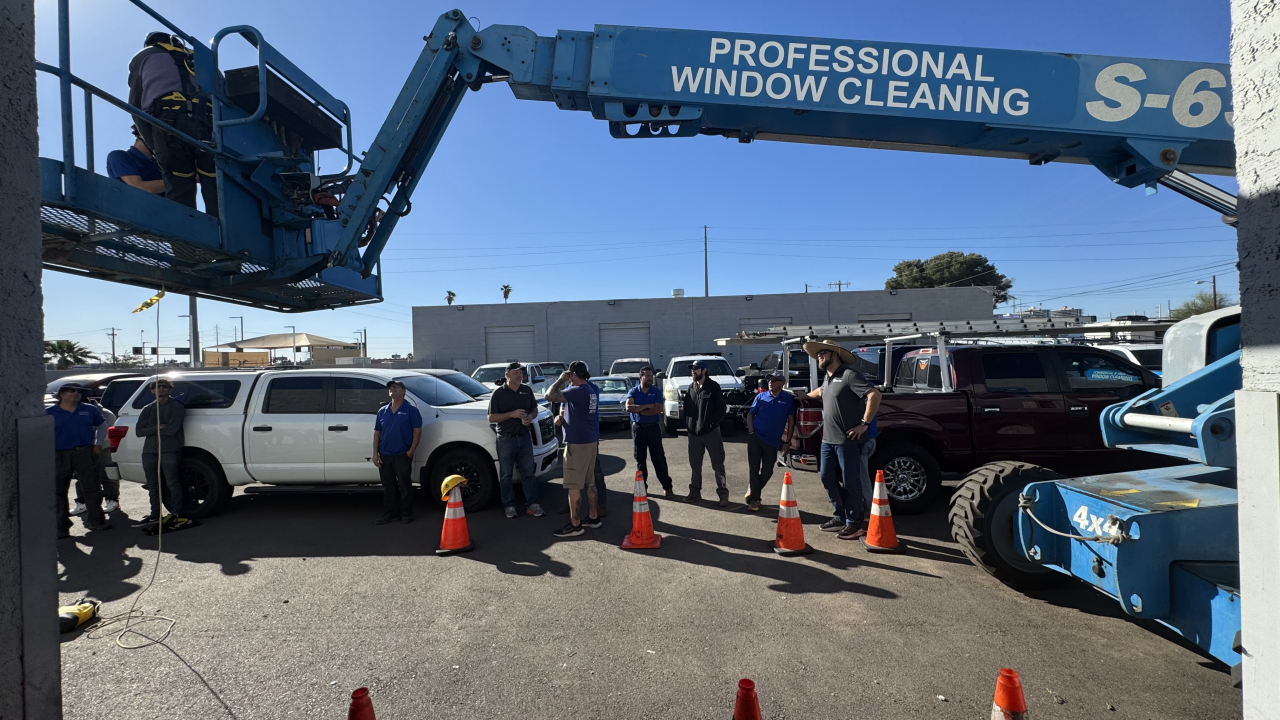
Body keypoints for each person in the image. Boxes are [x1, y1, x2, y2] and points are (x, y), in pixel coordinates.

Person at [794, 340, 882, 540]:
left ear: (835, 354)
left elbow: (874, 395)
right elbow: (821, 392)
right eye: (818, 354)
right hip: (828, 441)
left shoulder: (850, 375)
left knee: (852, 483)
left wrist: (864, 424)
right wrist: (803, 395)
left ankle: (855, 523)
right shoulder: (828, 378)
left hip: (848, 441)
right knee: (826, 477)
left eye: (822, 352)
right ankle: (840, 517)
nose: (819, 356)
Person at [127, 32, 218, 216]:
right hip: (209, 124)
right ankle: (228, 241)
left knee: (179, 190)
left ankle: (186, 244)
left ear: (151, 43)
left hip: (169, 124)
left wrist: (155, 148)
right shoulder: (200, 58)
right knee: (216, 187)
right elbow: (223, 94)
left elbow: (136, 108)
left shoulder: (143, 55)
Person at [545, 361, 602, 537]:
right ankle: (593, 517)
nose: (569, 378)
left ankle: (575, 524)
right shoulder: (589, 390)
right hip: (590, 440)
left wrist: (561, 380)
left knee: (573, 485)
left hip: (577, 443)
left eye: (570, 375)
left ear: (574, 375)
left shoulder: (577, 390)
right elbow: (570, 408)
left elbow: (549, 395)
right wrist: (561, 417)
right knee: (589, 482)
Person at [47, 384, 111, 537]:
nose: (76, 394)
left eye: (78, 392)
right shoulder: (49, 412)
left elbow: (102, 425)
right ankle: (61, 527)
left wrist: (98, 443)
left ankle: (96, 521)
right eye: (71, 391)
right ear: (61, 394)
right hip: (60, 454)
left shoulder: (89, 409)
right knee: (58, 490)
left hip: (85, 452)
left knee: (92, 487)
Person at [488, 362, 544, 518]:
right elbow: (491, 417)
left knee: (528, 472)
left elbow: (534, 409)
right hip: (506, 439)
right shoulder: (498, 393)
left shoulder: (526, 390)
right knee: (506, 474)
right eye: (516, 372)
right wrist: (511, 414)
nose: (519, 375)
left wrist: (530, 418)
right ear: (507, 374)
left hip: (524, 437)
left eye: (521, 372)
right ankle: (509, 506)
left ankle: (533, 504)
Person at [134, 377, 187, 526]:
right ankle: (155, 514)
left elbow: (171, 430)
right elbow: (138, 431)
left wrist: (151, 429)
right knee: (153, 485)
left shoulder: (176, 406)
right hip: (149, 451)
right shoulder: (148, 408)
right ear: (152, 391)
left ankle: (176, 513)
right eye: (157, 387)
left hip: (169, 450)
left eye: (164, 387)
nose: (161, 389)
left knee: (172, 483)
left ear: (170, 390)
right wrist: (158, 427)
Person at [744, 371, 797, 512]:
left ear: (782, 383)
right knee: (753, 469)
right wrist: (751, 433)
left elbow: (791, 422)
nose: (770, 382)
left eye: (774, 380)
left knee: (767, 471)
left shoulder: (788, 399)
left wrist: (787, 443)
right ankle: (755, 500)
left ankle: (753, 490)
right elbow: (750, 415)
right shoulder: (761, 397)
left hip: (772, 442)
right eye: (769, 380)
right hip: (756, 438)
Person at [372, 379, 422, 524]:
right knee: (389, 487)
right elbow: (377, 433)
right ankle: (391, 513)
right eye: (391, 388)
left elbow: (417, 431)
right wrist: (375, 454)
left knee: (405, 486)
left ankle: (406, 513)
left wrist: (411, 451)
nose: (392, 389)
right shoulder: (383, 411)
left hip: (402, 454)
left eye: (396, 387)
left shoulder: (411, 410)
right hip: (385, 455)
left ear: (404, 391)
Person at [683, 359, 729, 506]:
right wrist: (689, 426)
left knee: (718, 465)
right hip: (693, 435)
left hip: (711, 433)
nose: (693, 371)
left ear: (704, 371)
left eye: (696, 369)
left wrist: (711, 423)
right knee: (695, 465)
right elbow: (687, 409)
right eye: (692, 369)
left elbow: (721, 409)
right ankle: (695, 492)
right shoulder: (691, 387)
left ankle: (723, 494)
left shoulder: (713, 387)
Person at [624, 366, 674, 498]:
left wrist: (639, 409)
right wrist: (646, 406)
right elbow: (629, 407)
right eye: (648, 376)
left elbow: (658, 409)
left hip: (653, 428)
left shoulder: (656, 391)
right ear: (641, 377)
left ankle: (667, 487)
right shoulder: (633, 391)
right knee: (640, 459)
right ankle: (642, 488)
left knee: (658, 459)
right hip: (638, 429)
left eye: (652, 376)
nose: (651, 379)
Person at [70, 399, 119, 517]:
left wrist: (95, 444)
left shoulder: (106, 414)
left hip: (103, 447)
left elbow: (106, 432)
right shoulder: (73, 412)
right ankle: (82, 502)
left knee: (107, 474)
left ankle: (112, 500)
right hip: (82, 448)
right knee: (82, 476)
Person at [106, 126, 165, 194]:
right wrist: (175, 184)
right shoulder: (119, 156)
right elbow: (138, 187)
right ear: (141, 134)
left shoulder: (160, 165)